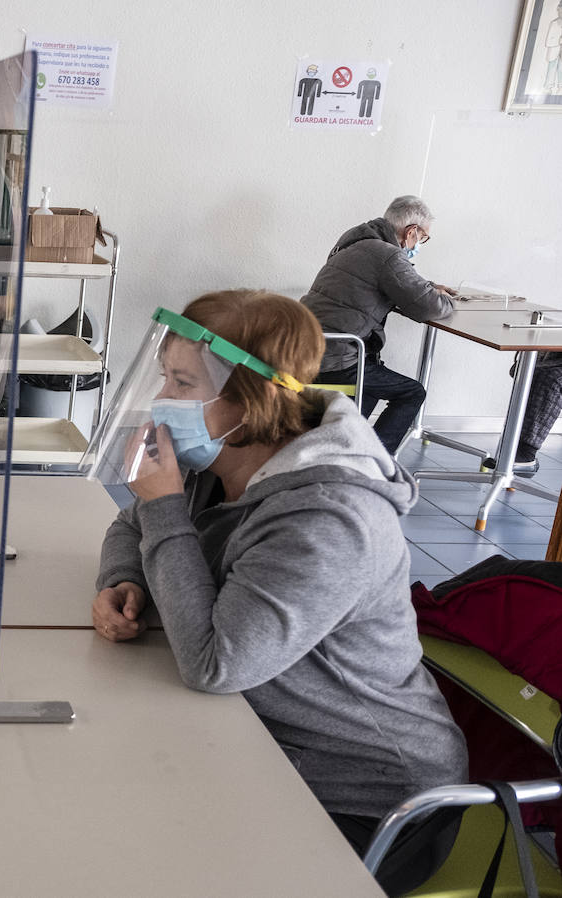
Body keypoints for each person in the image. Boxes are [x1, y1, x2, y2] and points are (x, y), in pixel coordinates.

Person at [89, 290, 467, 896]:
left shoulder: (330, 521)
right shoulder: (219, 458)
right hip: (261, 741)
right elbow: (132, 524)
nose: (164, 401)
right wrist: (123, 578)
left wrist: (162, 509)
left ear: (252, 399)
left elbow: (216, 663)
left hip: (365, 800)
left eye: (184, 383)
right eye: (165, 377)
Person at [301, 195, 456, 455]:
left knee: (372, 384)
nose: (421, 244)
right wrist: (448, 300)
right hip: (337, 358)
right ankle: (374, 464)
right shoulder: (387, 255)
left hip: (311, 347)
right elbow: (428, 307)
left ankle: (343, 452)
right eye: (424, 237)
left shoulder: (355, 240)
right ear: (411, 232)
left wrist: (428, 287)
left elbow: (399, 284)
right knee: (412, 393)